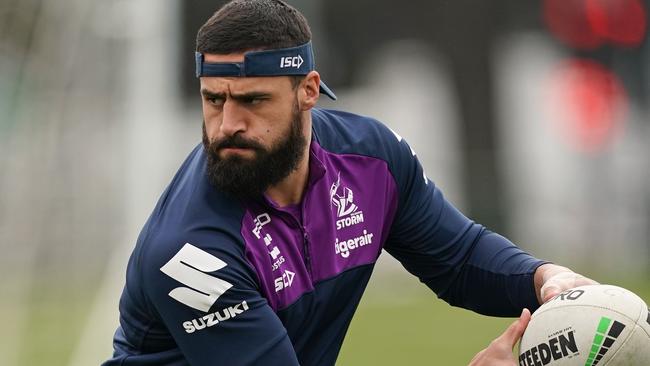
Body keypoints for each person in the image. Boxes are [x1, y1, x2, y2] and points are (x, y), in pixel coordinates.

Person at [103, 1, 597, 365]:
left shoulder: (372, 160)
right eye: (214, 100)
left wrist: (546, 279)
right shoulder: (192, 254)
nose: (228, 124)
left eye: (253, 101)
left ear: (308, 92)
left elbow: (459, 257)